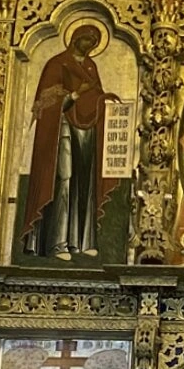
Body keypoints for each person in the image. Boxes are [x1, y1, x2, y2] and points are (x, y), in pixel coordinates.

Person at [22, 24, 116, 259]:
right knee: (64, 179)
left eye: (94, 42)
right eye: (86, 40)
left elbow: (94, 96)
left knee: (85, 181)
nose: (89, 45)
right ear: (75, 38)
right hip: (62, 127)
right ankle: (57, 243)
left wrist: (105, 100)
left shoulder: (91, 67)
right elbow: (44, 103)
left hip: (86, 130)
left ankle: (81, 242)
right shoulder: (57, 64)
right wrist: (75, 94)